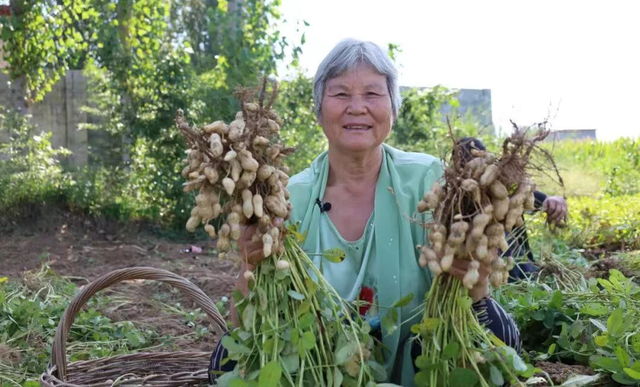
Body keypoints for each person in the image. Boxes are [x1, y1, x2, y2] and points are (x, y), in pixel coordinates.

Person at [210, 39, 521, 386]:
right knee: (223, 365)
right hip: (319, 371)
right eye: (341, 94)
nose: (357, 107)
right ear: (319, 110)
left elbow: (473, 296)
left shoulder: (432, 182)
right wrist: (250, 266)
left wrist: (475, 285)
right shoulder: (286, 198)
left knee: (501, 345)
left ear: (393, 109)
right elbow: (244, 326)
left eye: (372, 94)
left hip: (421, 365)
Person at [456, 137, 568, 281]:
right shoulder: (455, 200)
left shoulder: (504, 188)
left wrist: (554, 200)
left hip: (522, 272)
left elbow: (543, 199)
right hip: (481, 279)